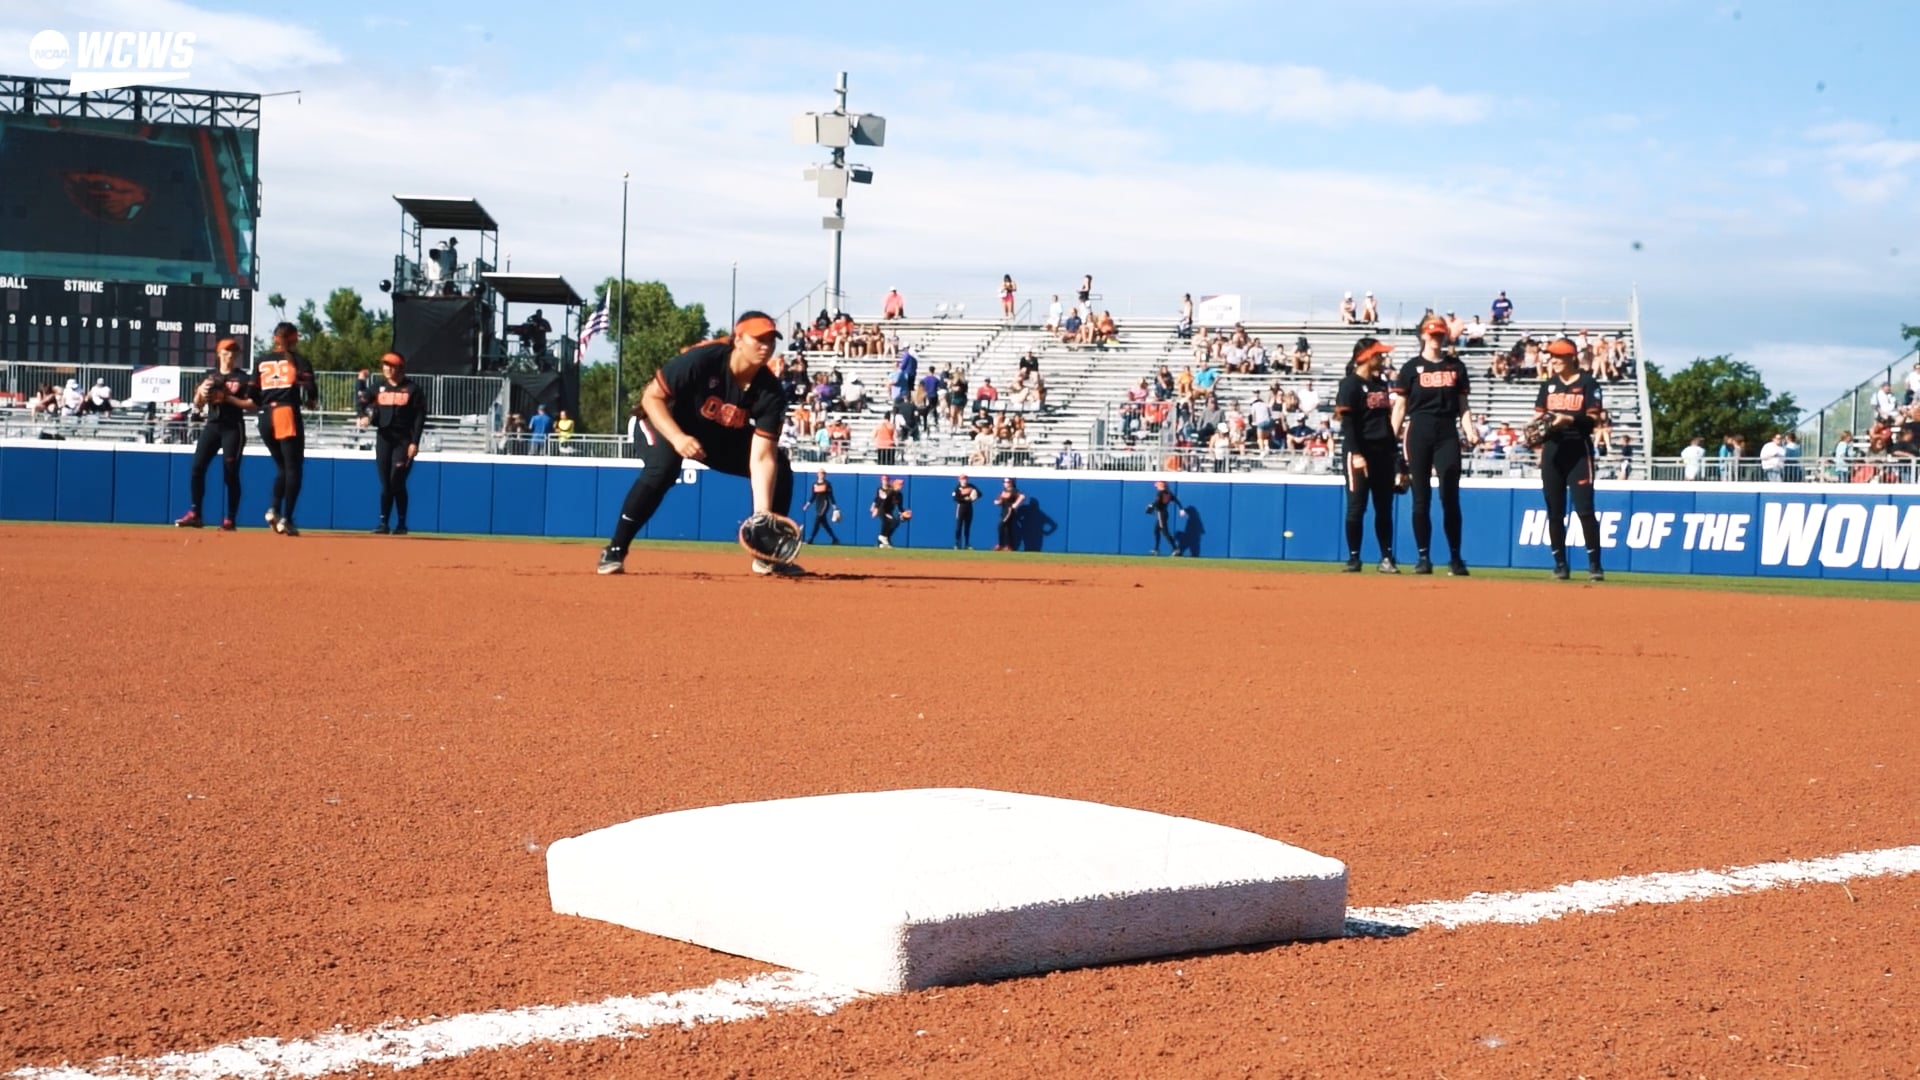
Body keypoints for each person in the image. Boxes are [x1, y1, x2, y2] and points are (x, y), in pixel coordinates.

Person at [597, 312, 800, 576]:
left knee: (780, 467)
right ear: (738, 339)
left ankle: (766, 553)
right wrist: (677, 438)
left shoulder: (770, 392)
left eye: (771, 340)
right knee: (664, 468)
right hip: (660, 420)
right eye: (758, 339)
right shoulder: (704, 359)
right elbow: (652, 398)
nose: (766, 346)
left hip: (712, 436)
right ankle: (615, 549)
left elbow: (762, 457)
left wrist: (762, 514)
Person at [1390, 314, 1480, 575]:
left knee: (1450, 497)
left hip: (1447, 432)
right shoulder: (1411, 368)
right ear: (1423, 335)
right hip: (1418, 431)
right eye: (1432, 334)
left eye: (1440, 334)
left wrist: (1470, 430)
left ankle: (1455, 557)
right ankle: (1423, 557)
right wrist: (1390, 439)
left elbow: (1463, 405)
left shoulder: (1455, 367)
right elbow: (1400, 408)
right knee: (1421, 498)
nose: (1436, 339)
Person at [1534, 337, 1607, 580]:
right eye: (1552, 356)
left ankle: (1594, 565)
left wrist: (1569, 419)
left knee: (1584, 509)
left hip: (1578, 450)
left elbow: (1594, 420)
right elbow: (1539, 417)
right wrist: (1533, 429)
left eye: (1558, 356)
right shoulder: (1548, 385)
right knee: (1554, 511)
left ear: (1571, 357)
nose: (1553, 360)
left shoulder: (1587, 383)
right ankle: (1560, 564)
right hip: (1552, 450)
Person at [175, 338, 257, 530]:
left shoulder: (243, 378)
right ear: (219, 354)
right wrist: (200, 392)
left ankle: (230, 518)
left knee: (230, 472)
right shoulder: (209, 376)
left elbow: (253, 405)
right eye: (226, 352)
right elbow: (198, 403)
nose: (230, 356)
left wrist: (228, 398)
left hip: (233, 426)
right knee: (197, 468)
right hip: (213, 425)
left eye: (233, 352)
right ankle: (195, 513)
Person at [1335, 337, 1399, 572]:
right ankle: (1354, 557)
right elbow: (1348, 425)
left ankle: (1386, 558)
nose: (1382, 358)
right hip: (1360, 453)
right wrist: (1356, 453)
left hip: (1382, 453)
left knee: (1384, 508)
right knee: (1357, 507)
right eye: (1378, 354)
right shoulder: (1350, 384)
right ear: (1366, 357)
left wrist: (1397, 459)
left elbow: (1386, 423)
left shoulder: (1380, 384)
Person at [254, 322, 318, 536]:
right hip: (285, 414)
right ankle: (287, 518)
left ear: (275, 338)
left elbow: (252, 393)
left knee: (282, 467)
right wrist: (311, 400)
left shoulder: (261, 361)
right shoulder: (298, 361)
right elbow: (311, 389)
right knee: (293, 468)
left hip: (265, 416)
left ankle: (274, 509)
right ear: (293, 339)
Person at [361, 351, 427, 535]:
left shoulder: (412, 389)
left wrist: (414, 442)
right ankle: (383, 523)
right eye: (385, 365)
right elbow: (362, 401)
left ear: (400, 368)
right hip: (384, 438)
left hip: (403, 440)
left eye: (391, 366)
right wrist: (363, 415)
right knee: (385, 483)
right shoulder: (378, 387)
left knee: (396, 480)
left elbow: (419, 418)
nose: (387, 369)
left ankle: (402, 523)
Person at [1145, 480, 1184, 556]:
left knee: (1165, 532)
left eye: (1158, 485)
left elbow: (1157, 502)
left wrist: (1151, 506)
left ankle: (1175, 549)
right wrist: (1181, 508)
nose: (1156, 487)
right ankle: (1156, 549)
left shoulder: (1160, 493)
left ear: (1161, 485)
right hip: (1164, 513)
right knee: (1156, 530)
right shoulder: (1168, 493)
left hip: (1161, 513)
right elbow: (1176, 500)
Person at [803, 470, 840, 544]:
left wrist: (834, 506)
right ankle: (835, 539)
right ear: (817, 474)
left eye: (823, 474)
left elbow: (831, 496)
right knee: (824, 524)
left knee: (817, 520)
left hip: (824, 504)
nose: (821, 475)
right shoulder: (815, 484)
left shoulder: (827, 484)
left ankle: (810, 539)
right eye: (820, 473)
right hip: (818, 505)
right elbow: (813, 496)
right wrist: (807, 505)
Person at [871, 475, 908, 547]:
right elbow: (882, 502)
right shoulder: (890, 492)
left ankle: (883, 542)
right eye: (899, 484)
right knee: (888, 522)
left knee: (895, 523)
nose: (901, 486)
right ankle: (882, 538)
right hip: (882, 510)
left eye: (902, 485)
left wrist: (904, 512)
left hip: (889, 511)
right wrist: (876, 509)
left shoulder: (900, 495)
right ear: (895, 485)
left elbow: (900, 507)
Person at [994, 477, 1027, 551]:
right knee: (1007, 528)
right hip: (1003, 511)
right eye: (1004, 482)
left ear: (1011, 483)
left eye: (1007, 482)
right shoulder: (1004, 491)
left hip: (1009, 511)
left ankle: (1001, 544)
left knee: (1000, 526)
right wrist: (998, 502)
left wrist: (1015, 504)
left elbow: (1022, 496)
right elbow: (999, 500)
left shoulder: (1014, 491)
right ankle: (1008, 546)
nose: (1005, 483)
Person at [952, 474, 980, 549]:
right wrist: (964, 499)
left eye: (965, 479)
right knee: (959, 526)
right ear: (959, 480)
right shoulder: (957, 488)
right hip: (961, 507)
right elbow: (955, 498)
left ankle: (967, 544)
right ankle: (957, 543)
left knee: (967, 527)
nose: (964, 480)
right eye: (962, 479)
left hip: (969, 508)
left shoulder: (971, 486)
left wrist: (973, 497)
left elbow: (979, 494)